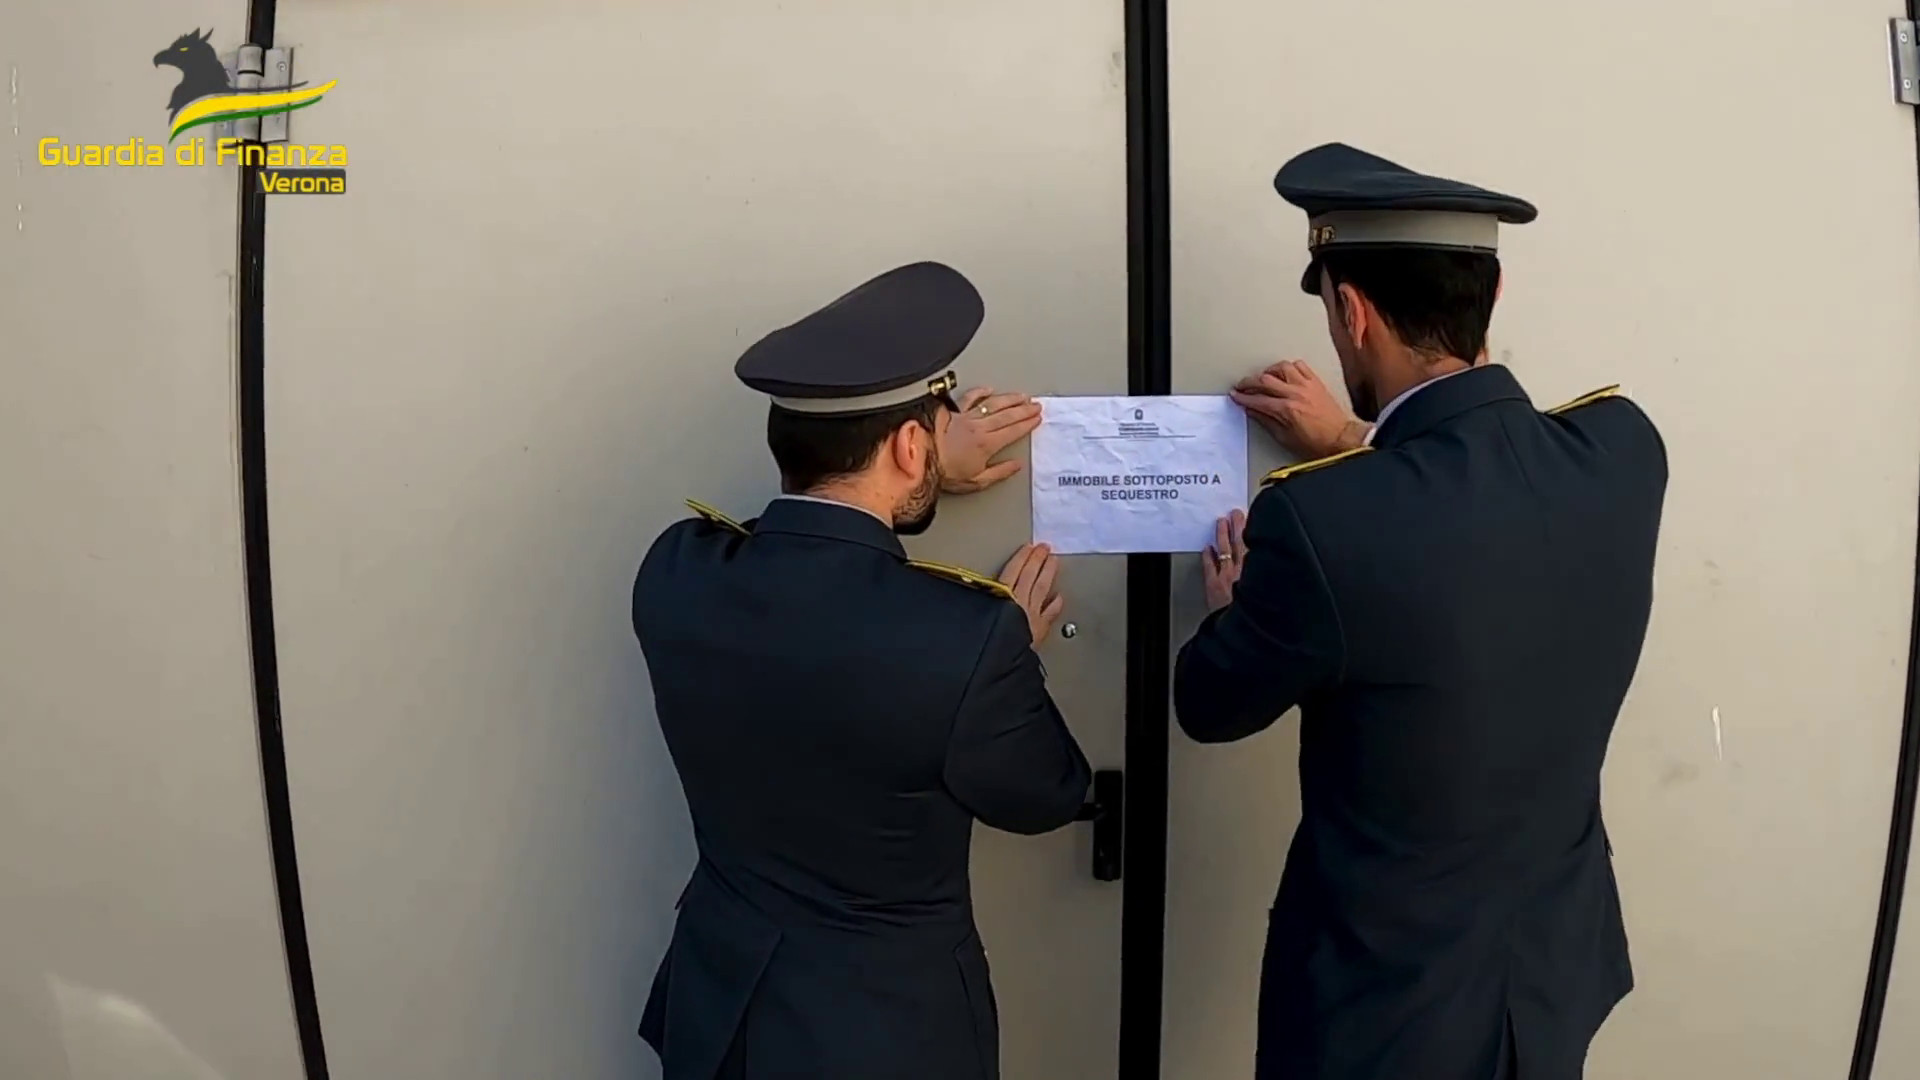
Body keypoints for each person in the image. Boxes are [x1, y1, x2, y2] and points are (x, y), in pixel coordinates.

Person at [1175, 143, 1668, 1080]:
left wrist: (1233, 610)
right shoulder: (1623, 452)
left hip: (1386, 1016)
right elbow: (1476, 505)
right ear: (1495, 291)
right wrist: (1359, 440)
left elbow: (1209, 704)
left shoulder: (1319, 522)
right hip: (1550, 985)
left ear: (1351, 313)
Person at [632, 260, 1092, 1080]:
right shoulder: (967, 639)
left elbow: (800, 560)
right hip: (885, 1039)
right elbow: (1048, 796)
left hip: (721, 1017)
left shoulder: (676, 571)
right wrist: (1010, 649)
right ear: (912, 446)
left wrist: (911, 475)